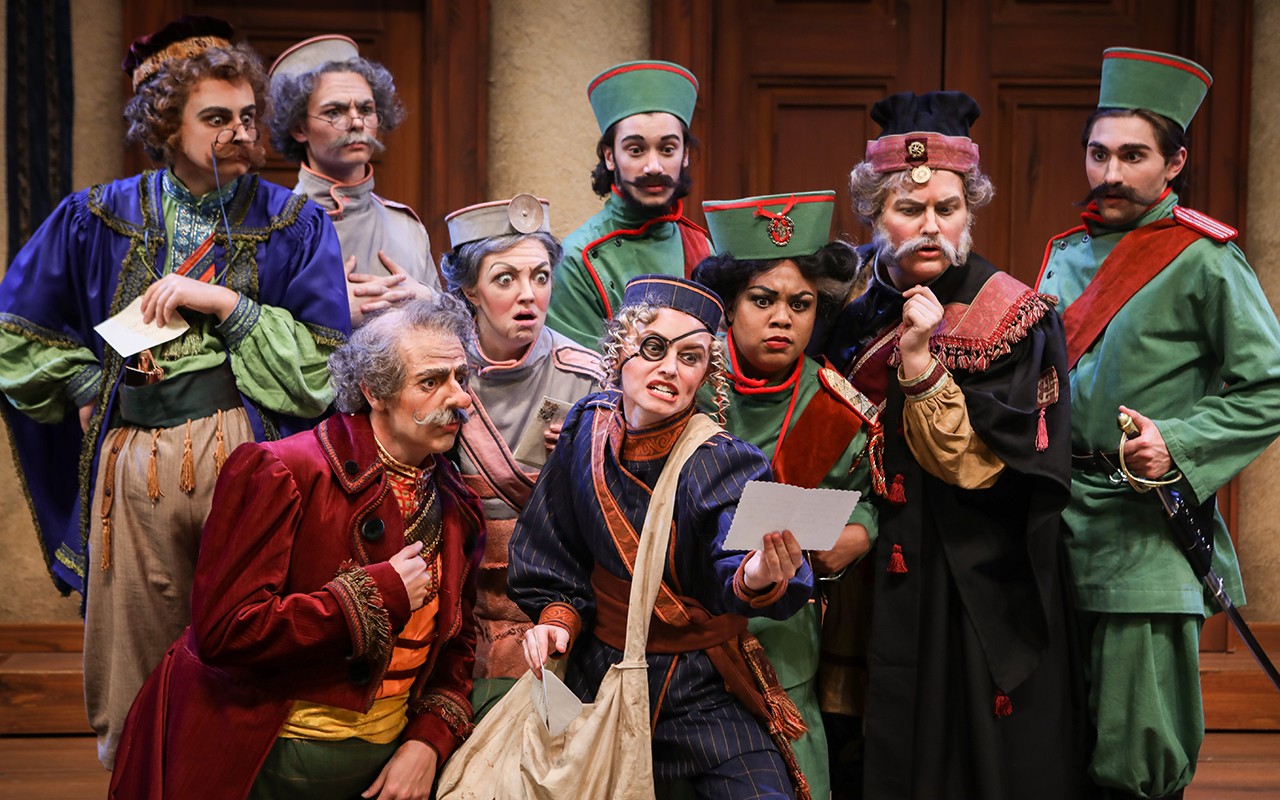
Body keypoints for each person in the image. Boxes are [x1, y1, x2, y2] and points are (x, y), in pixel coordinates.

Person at [0, 15, 349, 769]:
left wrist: (229, 306)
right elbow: (14, 335)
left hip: (249, 463)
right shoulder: (97, 217)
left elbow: (323, 367)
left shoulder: (294, 225)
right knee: (136, 656)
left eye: (248, 117)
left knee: (245, 646)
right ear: (166, 124)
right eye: (216, 118)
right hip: (131, 465)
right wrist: (88, 380)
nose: (239, 133)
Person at [109, 296, 484, 800]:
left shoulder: (456, 500)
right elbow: (226, 630)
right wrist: (371, 596)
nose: (460, 398)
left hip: (387, 755)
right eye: (431, 381)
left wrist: (428, 741)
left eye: (462, 377)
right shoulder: (282, 471)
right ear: (374, 391)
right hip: (262, 749)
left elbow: (457, 648)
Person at [819, 91, 1083, 799]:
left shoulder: (1012, 315)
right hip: (847, 563)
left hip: (960, 565)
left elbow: (986, 467)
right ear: (873, 214)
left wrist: (919, 362)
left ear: (970, 211)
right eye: (909, 209)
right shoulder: (841, 305)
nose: (930, 226)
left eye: (948, 207)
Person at [1036, 48, 1280, 800]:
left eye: (1133, 156)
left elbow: (1269, 386)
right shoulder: (1064, 255)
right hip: (1054, 526)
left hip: (1143, 533)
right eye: (1098, 153)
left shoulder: (1206, 260)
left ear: (1175, 163)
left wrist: (1175, 442)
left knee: (1136, 760)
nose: (1109, 173)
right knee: (1056, 749)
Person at [510, 275, 815, 799]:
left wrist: (759, 572)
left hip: (699, 685)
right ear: (619, 351)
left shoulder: (724, 460)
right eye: (654, 347)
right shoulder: (586, 428)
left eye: (690, 357)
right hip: (597, 671)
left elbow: (735, 556)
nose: (670, 368)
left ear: (704, 376)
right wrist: (555, 621)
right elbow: (551, 543)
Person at [692, 190, 880, 799]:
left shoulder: (837, 406)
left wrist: (862, 531)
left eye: (801, 304)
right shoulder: (681, 384)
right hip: (683, 636)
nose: (783, 318)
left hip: (784, 643)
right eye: (762, 299)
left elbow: (867, 497)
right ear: (728, 305)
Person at [437, 194, 603, 717]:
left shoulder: (588, 378)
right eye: (505, 279)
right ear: (470, 289)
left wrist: (577, 469)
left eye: (540, 276)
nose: (528, 294)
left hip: (555, 607)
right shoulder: (437, 373)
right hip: (456, 603)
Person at [268, 34, 440, 328]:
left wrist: (427, 300)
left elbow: (448, 335)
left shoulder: (407, 227)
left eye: (366, 109)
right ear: (299, 128)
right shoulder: (272, 228)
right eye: (334, 112)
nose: (357, 122)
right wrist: (325, 313)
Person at [544, 61, 712, 349]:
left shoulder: (702, 246)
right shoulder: (575, 260)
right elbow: (578, 370)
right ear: (610, 157)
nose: (653, 166)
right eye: (636, 150)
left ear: (684, 155)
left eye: (667, 149)